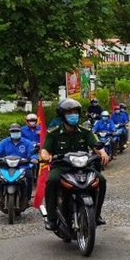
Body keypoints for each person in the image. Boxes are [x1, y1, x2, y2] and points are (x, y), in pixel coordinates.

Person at [39, 98, 110, 231]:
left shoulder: (85, 131)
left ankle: (97, 214)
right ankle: (52, 218)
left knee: (101, 180)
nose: (73, 115)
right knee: (52, 181)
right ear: (62, 115)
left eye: (75, 112)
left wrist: (102, 152)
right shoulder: (53, 133)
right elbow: (44, 150)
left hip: (83, 166)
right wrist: (46, 157)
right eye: (69, 112)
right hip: (61, 167)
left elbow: (95, 145)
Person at [0, 123, 38, 207]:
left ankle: (28, 199)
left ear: (20, 132)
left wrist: (34, 158)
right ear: (10, 132)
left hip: (23, 166)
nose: (15, 132)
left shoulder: (27, 143)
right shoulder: (4, 142)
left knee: (29, 177)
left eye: (17, 131)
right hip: (6, 167)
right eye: (13, 131)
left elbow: (32, 153)